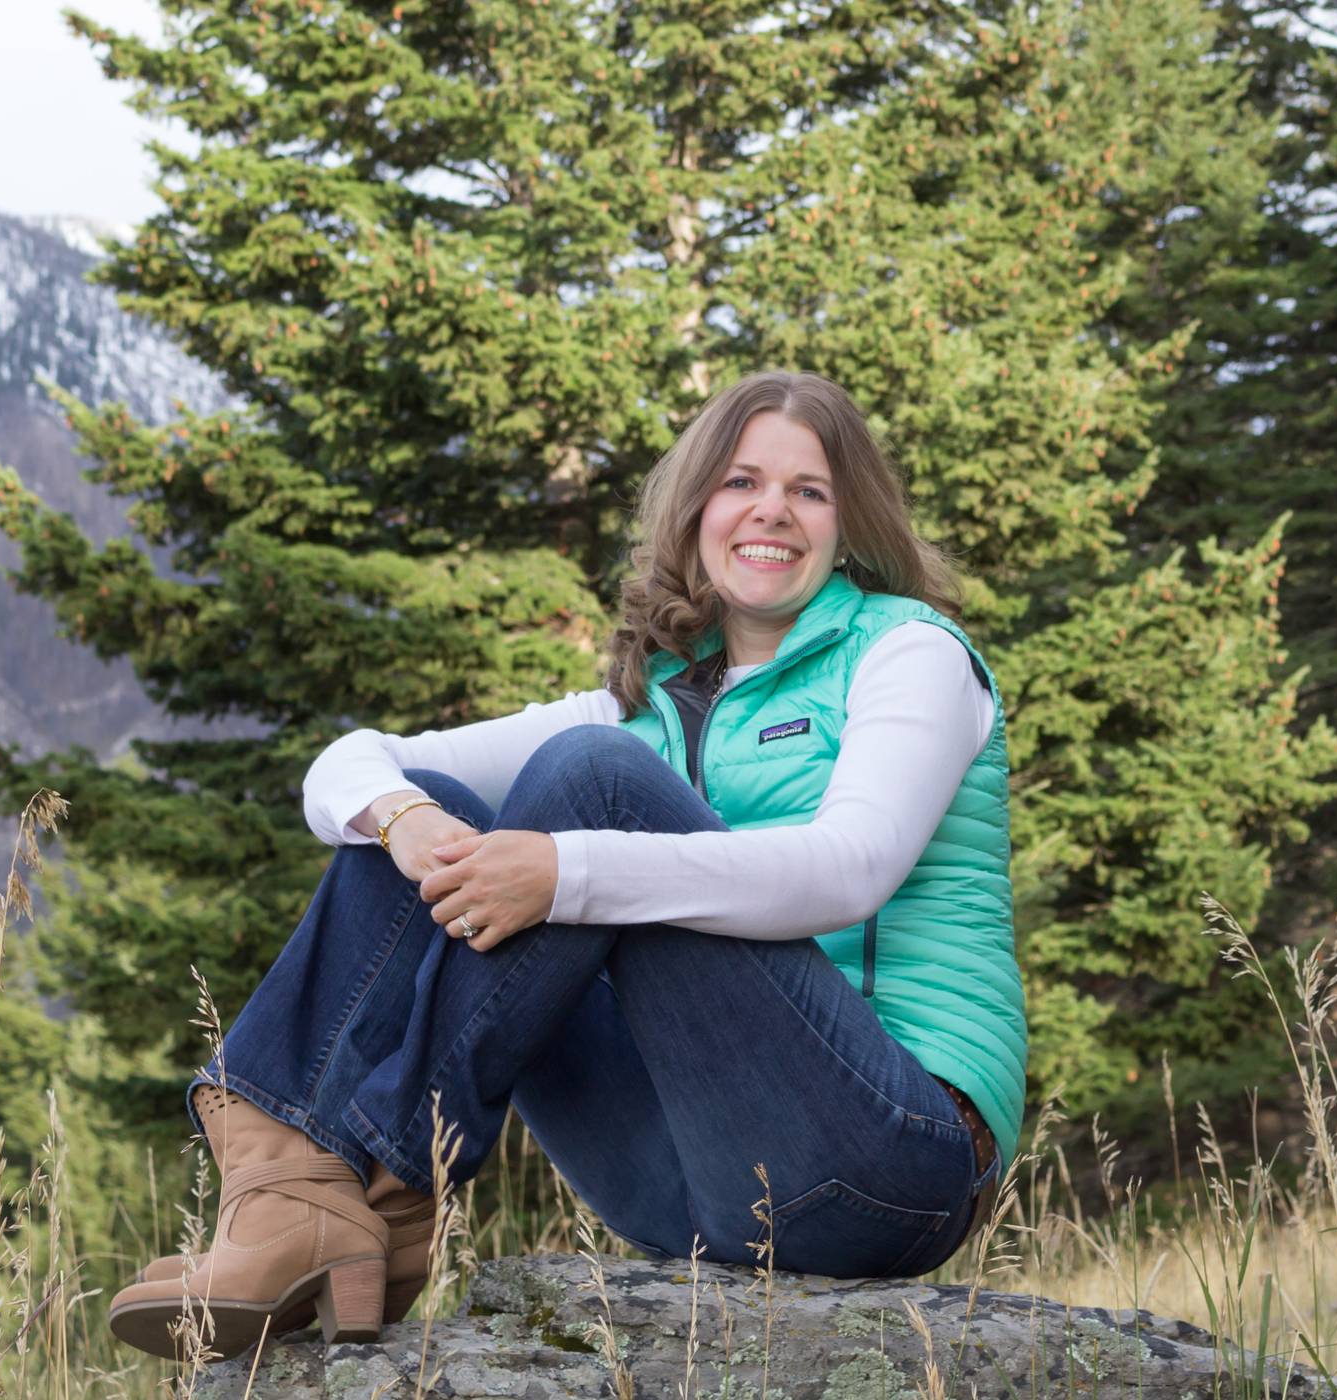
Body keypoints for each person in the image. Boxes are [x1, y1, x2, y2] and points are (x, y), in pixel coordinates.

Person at [106, 370, 1025, 1362]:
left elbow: (849, 868)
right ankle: (297, 1190)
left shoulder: (911, 652)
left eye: (810, 489)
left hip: (882, 1161)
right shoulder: (647, 704)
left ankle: (385, 1181)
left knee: (590, 785)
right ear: (695, 510)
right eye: (741, 481)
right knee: (432, 810)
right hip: (685, 1185)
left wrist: (565, 871)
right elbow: (349, 763)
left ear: (852, 521)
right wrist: (408, 818)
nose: (773, 509)